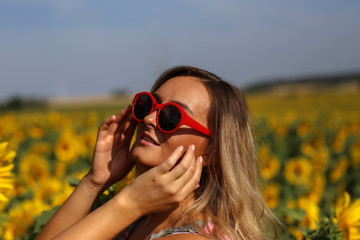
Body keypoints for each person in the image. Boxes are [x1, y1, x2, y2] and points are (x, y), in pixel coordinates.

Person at [37, 66, 280, 240]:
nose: (150, 119)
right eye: (148, 104)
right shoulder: (141, 220)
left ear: (213, 152)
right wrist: (94, 181)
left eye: (172, 116)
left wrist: (129, 203)